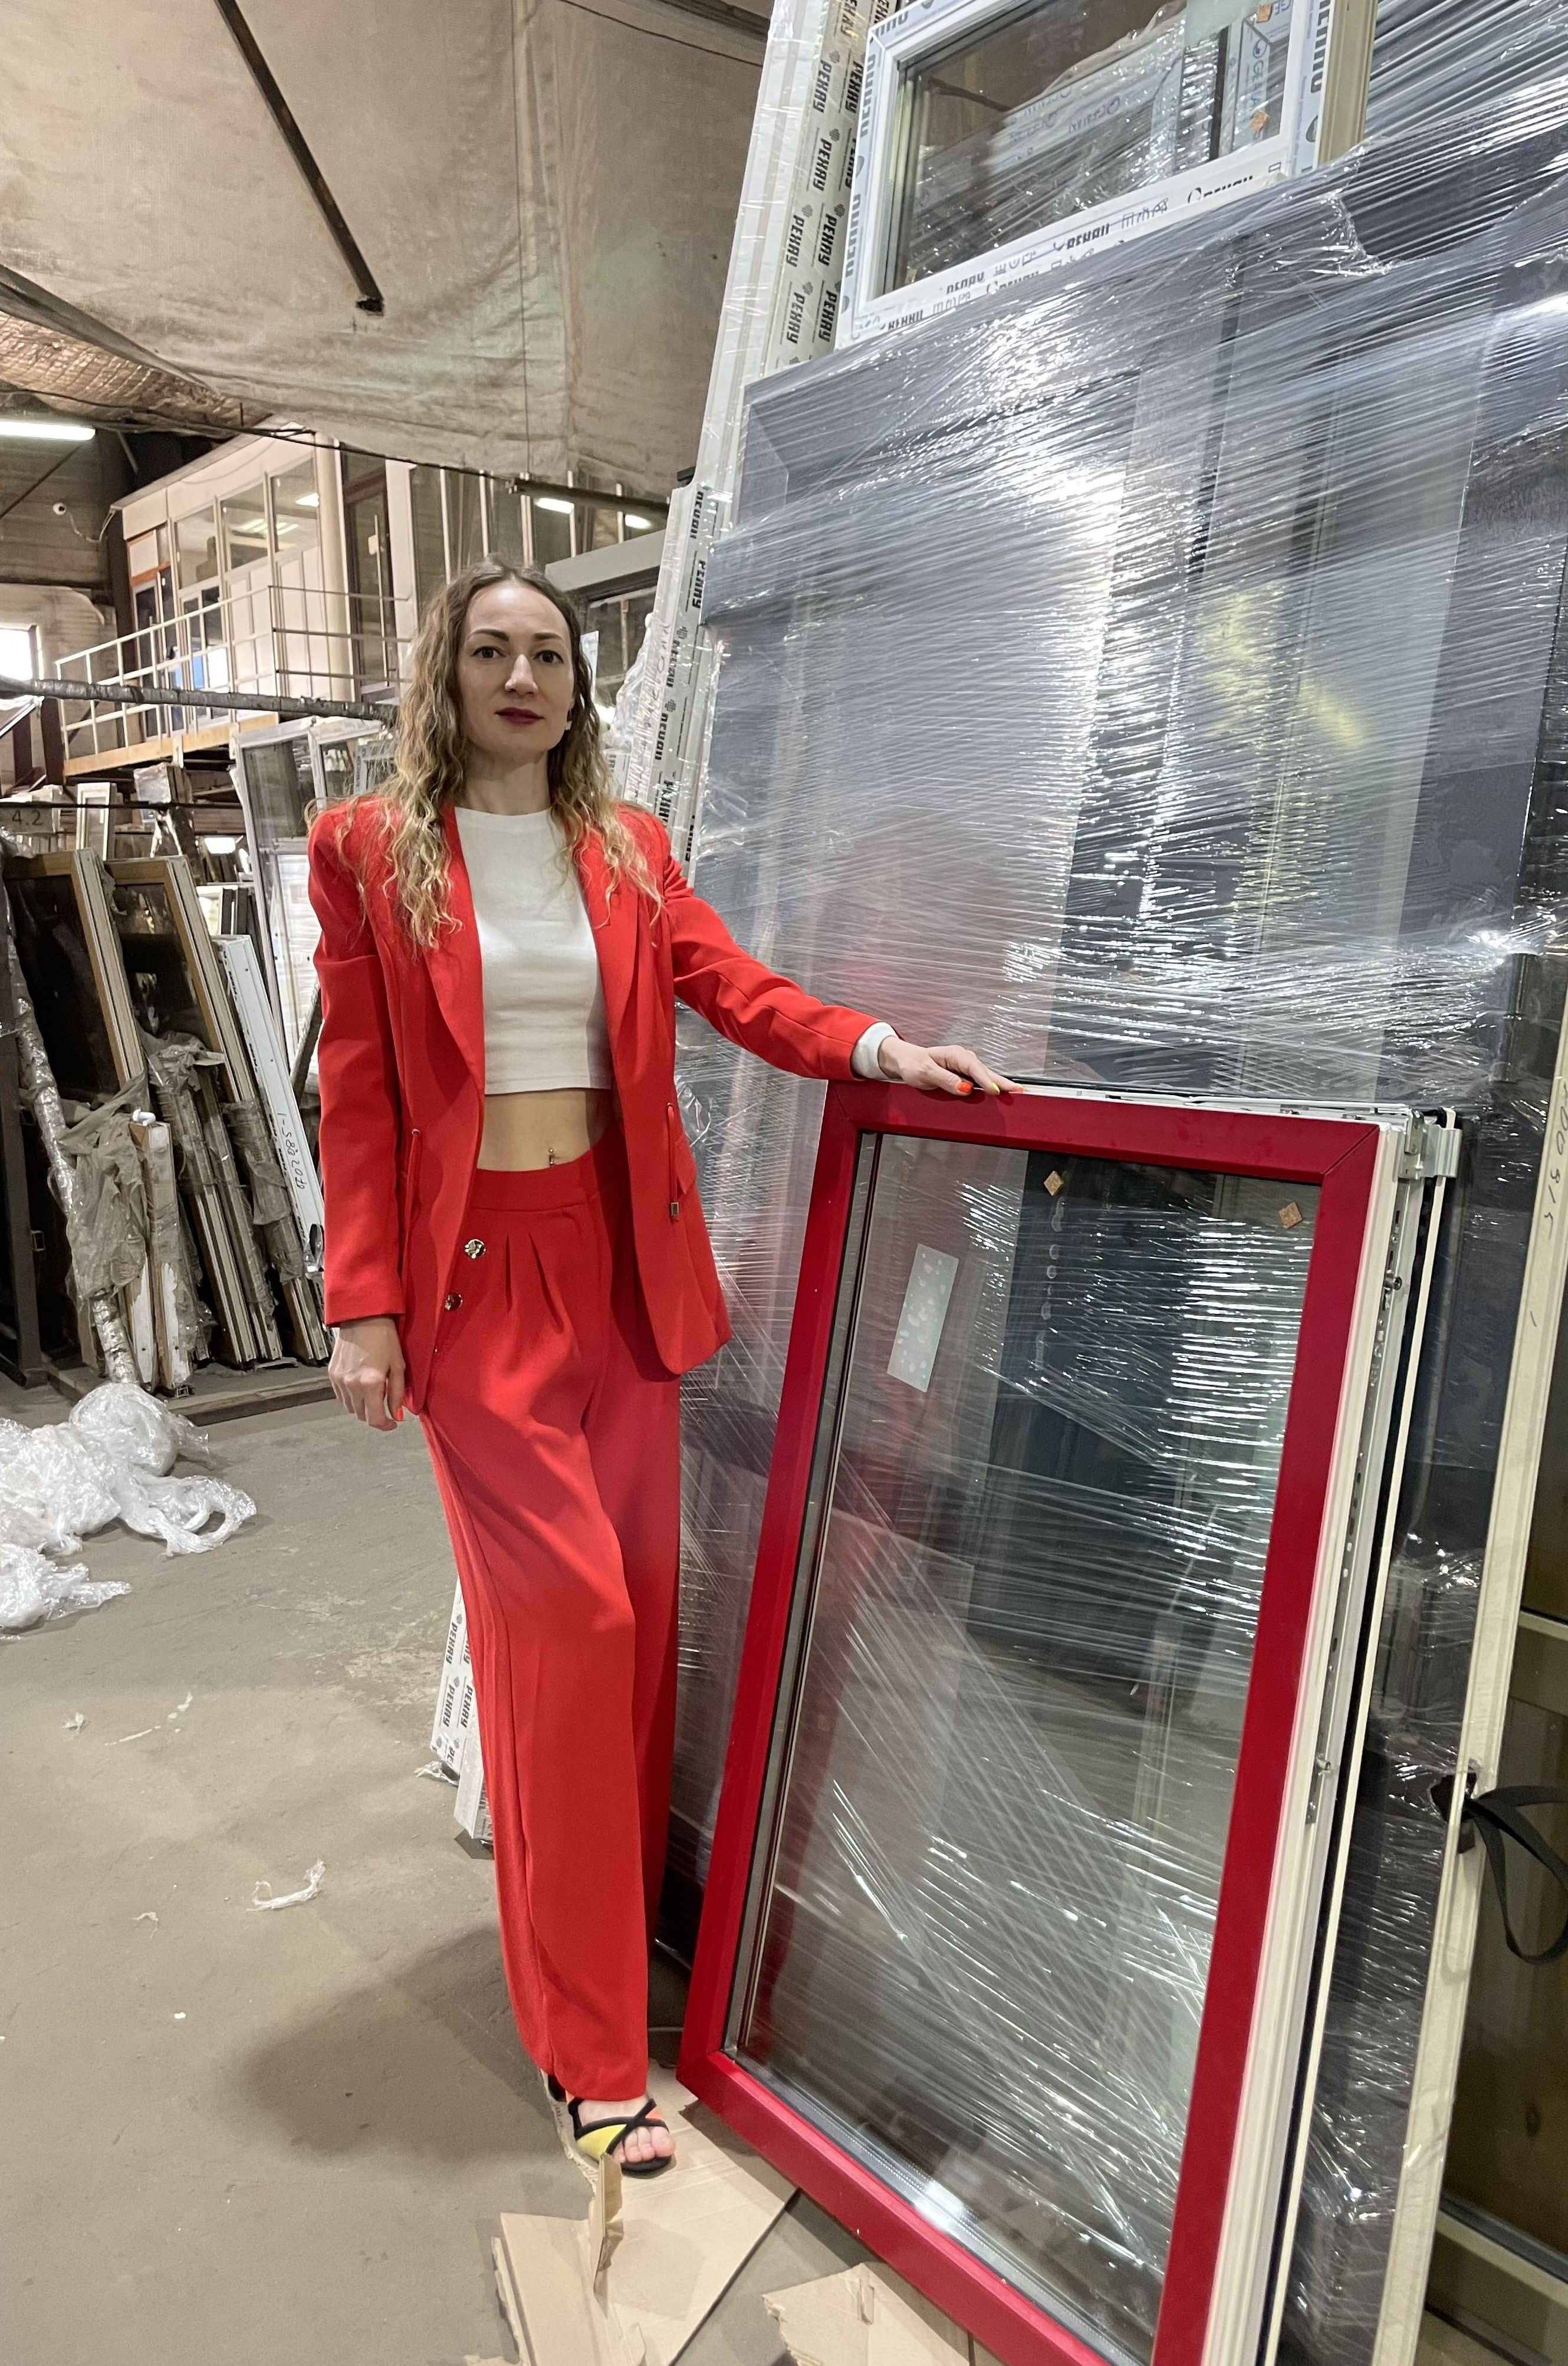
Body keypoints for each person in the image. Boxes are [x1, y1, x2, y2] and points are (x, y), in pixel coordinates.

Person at [309, 558, 1013, 2181]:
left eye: (548, 653)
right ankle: (588, 2051)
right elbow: (357, 1087)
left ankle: (610, 1948)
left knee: (633, 1629)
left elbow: (732, 987)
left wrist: (873, 1048)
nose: (521, 677)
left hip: (620, 1279)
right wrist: (362, 1306)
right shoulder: (367, 850)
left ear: (578, 687)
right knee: (573, 1627)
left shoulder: (625, 846)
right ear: (444, 673)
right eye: (490, 649)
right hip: (473, 1287)